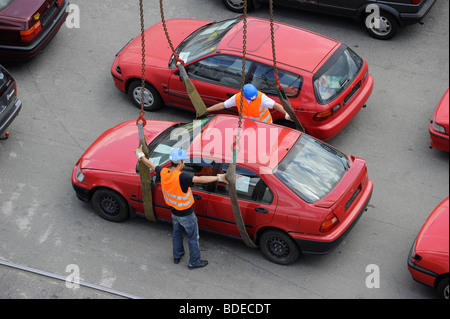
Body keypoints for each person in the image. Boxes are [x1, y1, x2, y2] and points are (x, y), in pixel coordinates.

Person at [135, 146, 228, 269]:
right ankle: (194, 262)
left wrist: (140, 154)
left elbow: (150, 164)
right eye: (183, 161)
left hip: (174, 212)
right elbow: (200, 179)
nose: (184, 163)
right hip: (187, 214)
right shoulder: (182, 177)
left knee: (177, 233)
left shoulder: (164, 172)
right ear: (180, 163)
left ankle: (177, 256)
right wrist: (220, 177)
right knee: (193, 237)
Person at [206, 83, 292, 124]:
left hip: (264, 125)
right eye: (251, 99)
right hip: (248, 125)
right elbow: (222, 105)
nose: (253, 100)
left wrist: (287, 114)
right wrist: (207, 110)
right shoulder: (238, 98)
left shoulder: (261, 97)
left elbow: (276, 105)